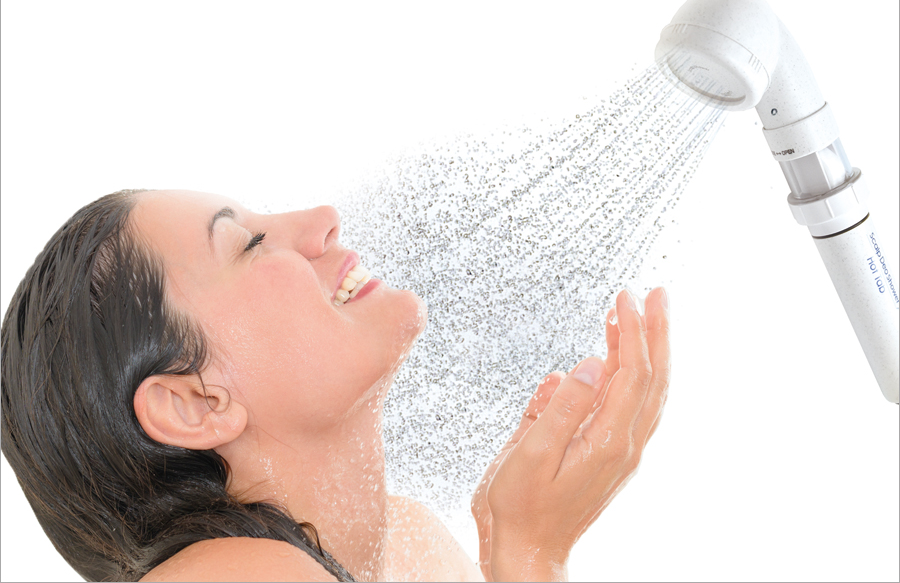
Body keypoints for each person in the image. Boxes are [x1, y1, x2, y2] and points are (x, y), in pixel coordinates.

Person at [1, 188, 670, 582]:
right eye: (247, 243)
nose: (322, 219)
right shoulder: (228, 574)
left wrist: (510, 545)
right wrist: (531, 551)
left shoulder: (412, 551)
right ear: (195, 403)